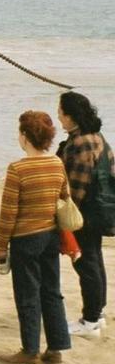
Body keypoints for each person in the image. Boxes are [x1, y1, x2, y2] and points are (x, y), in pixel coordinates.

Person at [0, 111, 72, 364]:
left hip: (25, 238)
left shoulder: (18, 168)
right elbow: (64, 196)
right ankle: (56, 349)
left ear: (25, 137)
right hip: (50, 235)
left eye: (20, 132)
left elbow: (8, 213)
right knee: (52, 291)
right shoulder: (57, 163)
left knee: (28, 294)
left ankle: (31, 351)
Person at [57, 91, 110, 338]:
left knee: (85, 262)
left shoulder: (80, 143)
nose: (59, 117)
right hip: (100, 209)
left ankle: (90, 320)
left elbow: (75, 187)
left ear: (71, 115)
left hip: (86, 212)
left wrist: (65, 216)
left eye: (61, 112)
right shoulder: (96, 136)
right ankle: (98, 313)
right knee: (94, 259)